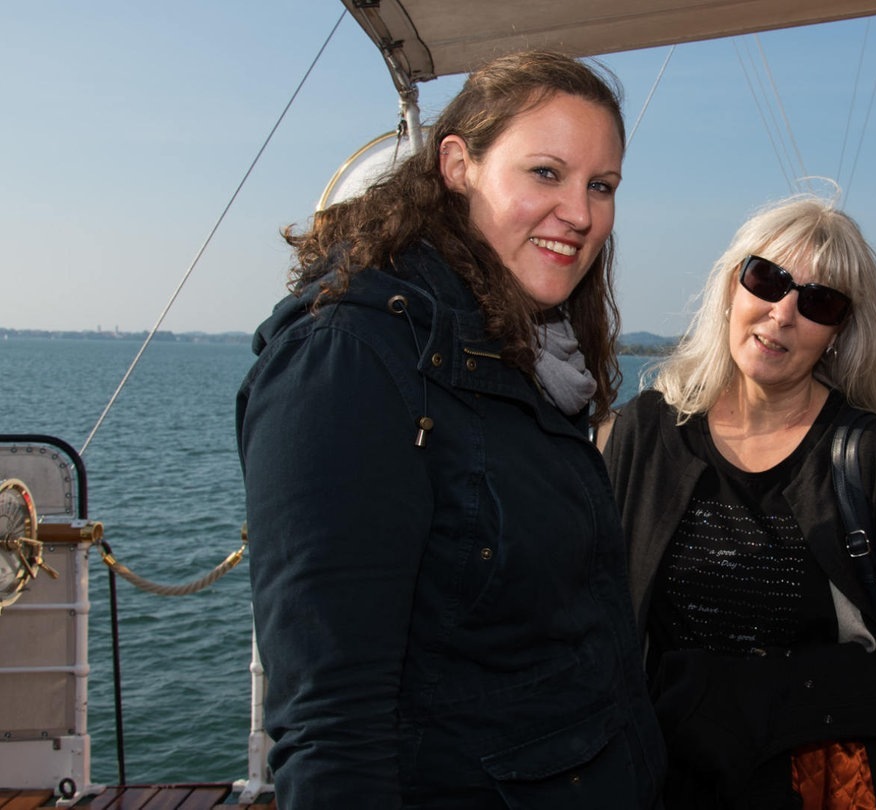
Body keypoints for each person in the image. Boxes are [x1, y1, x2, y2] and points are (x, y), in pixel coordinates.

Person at [237, 50, 664, 809]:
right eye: (545, 173)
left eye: (601, 186)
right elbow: (331, 724)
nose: (581, 212)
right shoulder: (349, 361)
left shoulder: (522, 353)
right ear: (458, 165)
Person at [603, 193, 876, 808]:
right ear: (732, 286)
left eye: (818, 302)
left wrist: (796, 706)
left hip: (810, 780)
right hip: (660, 771)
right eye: (767, 279)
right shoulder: (647, 430)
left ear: (838, 334)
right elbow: (593, 599)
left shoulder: (870, 454)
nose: (782, 313)